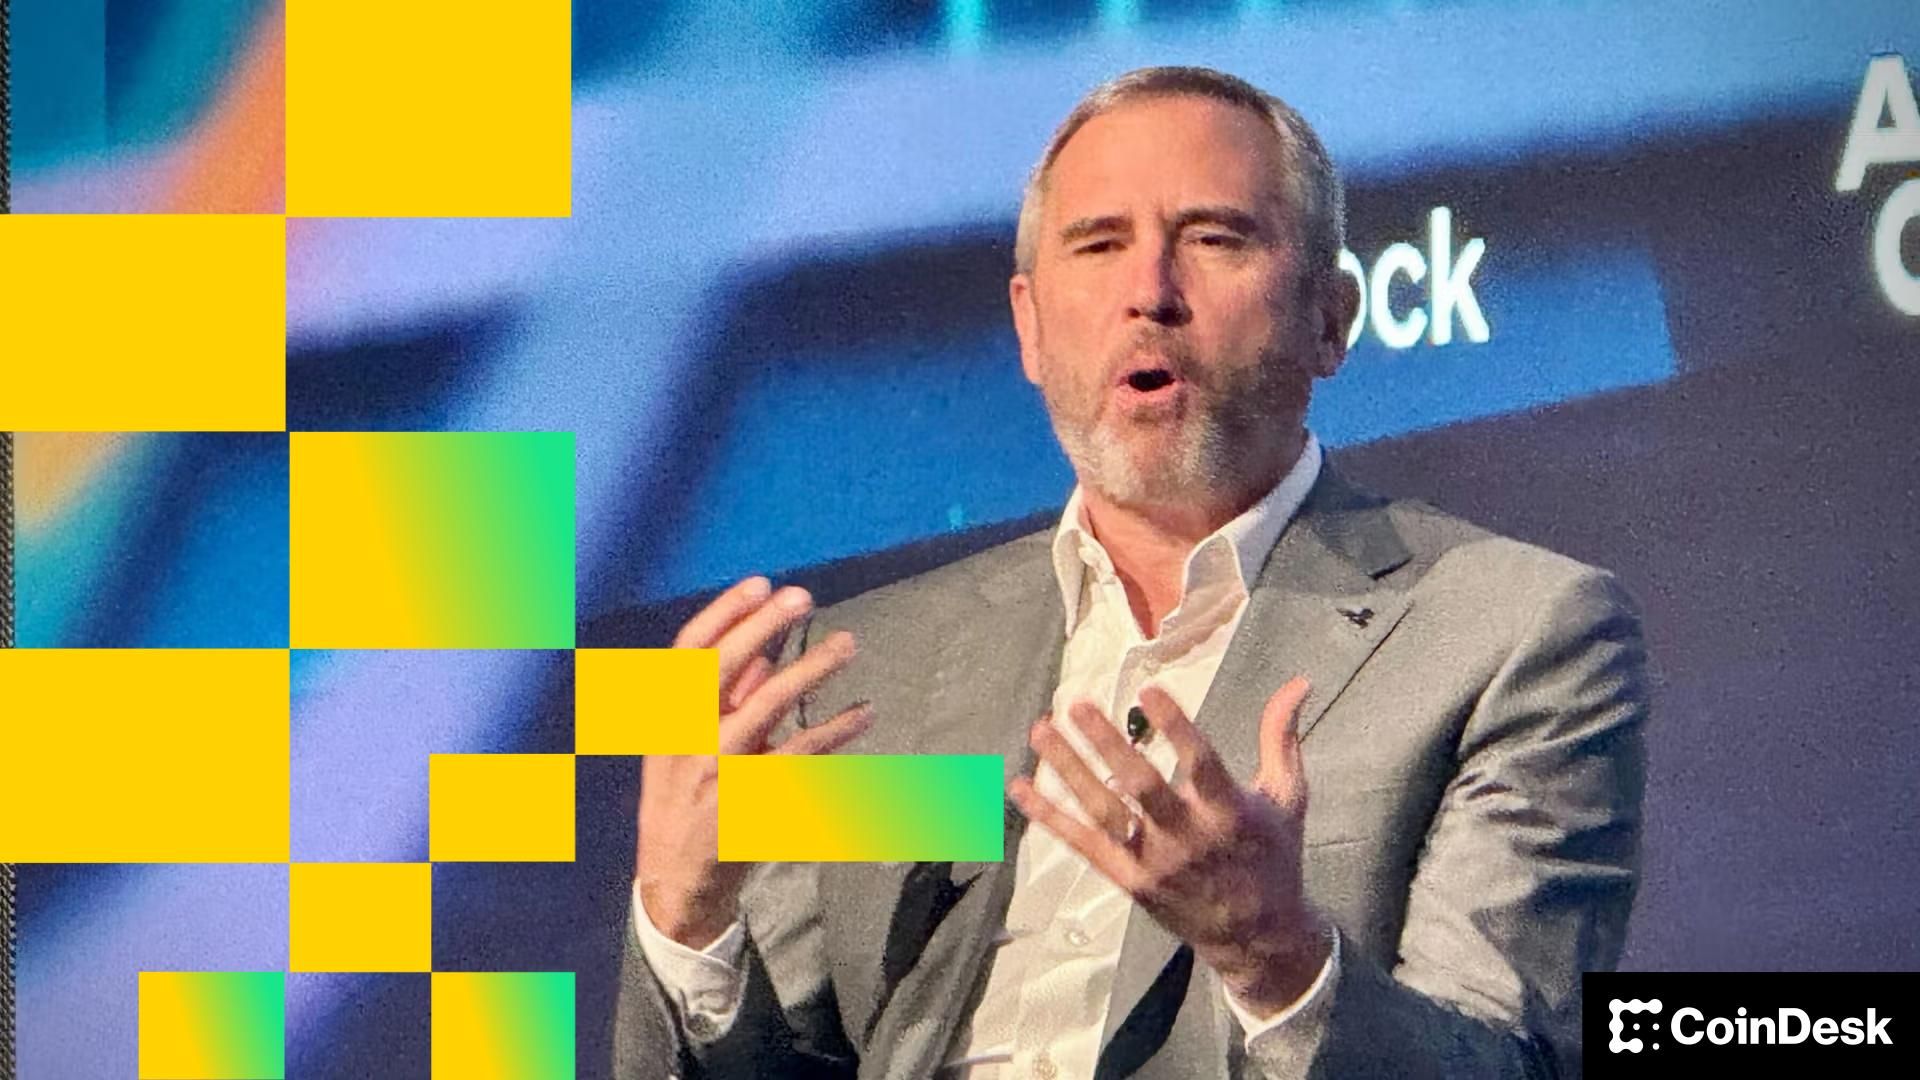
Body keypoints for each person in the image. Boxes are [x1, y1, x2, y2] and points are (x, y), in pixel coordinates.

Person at [614, 66, 1647, 1079]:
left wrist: (1276, 958)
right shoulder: (865, 671)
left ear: (1331, 317)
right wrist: (687, 927)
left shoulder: (1510, 633)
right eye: (1099, 245)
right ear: (1029, 326)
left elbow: (1505, 1061)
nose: (1149, 294)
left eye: (1214, 239)